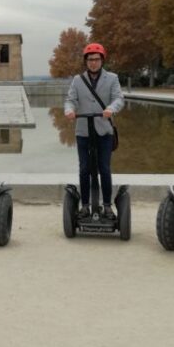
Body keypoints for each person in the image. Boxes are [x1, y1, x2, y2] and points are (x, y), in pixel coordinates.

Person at [64, 42, 124, 217]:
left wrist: (111, 109)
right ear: (86, 61)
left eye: (97, 59)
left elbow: (119, 98)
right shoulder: (77, 80)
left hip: (104, 131)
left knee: (104, 168)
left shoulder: (112, 78)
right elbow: (70, 99)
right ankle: (84, 205)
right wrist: (69, 110)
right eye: (90, 60)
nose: (93, 63)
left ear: (102, 60)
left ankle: (106, 205)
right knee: (84, 169)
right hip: (83, 131)